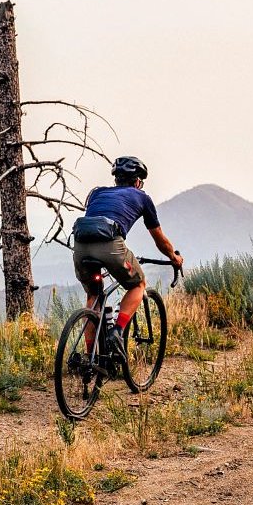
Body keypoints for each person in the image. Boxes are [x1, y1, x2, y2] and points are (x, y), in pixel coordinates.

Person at [70, 156, 183, 365]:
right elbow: (159, 239)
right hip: (111, 245)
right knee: (138, 284)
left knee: (94, 295)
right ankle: (117, 331)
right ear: (138, 181)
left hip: (80, 246)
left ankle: (91, 359)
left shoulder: (96, 193)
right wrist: (174, 258)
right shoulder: (142, 197)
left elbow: (95, 223)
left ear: (116, 180)